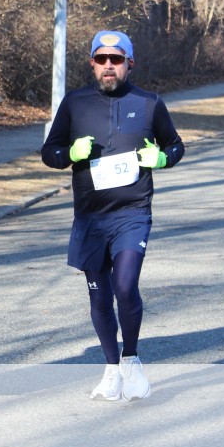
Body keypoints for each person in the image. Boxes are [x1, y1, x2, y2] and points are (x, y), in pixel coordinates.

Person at [41, 30, 184, 402]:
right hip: (90, 217)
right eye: (101, 59)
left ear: (129, 64)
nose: (109, 65)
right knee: (100, 298)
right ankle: (111, 369)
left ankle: (131, 359)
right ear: (92, 63)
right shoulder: (75, 103)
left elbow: (176, 145)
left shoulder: (149, 103)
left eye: (116, 59)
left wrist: (162, 158)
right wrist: (70, 154)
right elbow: (49, 152)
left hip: (132, 213)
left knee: (125, 285)